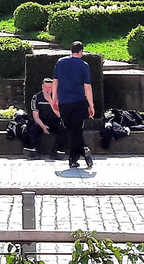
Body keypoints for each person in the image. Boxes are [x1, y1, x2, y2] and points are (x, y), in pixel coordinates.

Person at [54, 42, 95, 170]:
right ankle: (83, 150)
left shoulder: (60, 63)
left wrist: (54, 99)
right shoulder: (84, 66)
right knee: (76, 130)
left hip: (64, 102)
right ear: (81, 51)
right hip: (78, 101)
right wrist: (91, 105)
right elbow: (87, 87)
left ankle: (74, 158)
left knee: (71, 130)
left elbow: (55, 82)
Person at [24, 78, 63, 161]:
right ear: (42, 87)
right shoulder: (36, 97)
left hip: (55, 121)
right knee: (33, 128)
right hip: (41, 121)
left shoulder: (58, 97)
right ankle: (34, 150)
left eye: (50, 87)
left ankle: (57, 151)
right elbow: (35, 116)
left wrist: (51, 101)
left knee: (64, 128)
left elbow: (60, 115)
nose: (47, 90)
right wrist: (42, 126)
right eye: (45, 87)